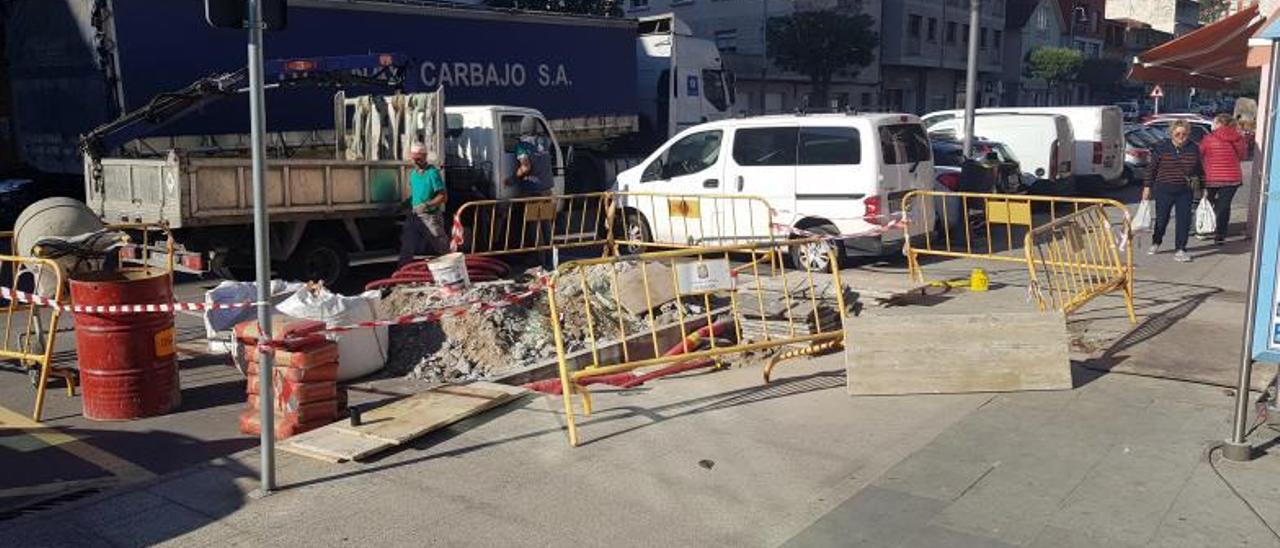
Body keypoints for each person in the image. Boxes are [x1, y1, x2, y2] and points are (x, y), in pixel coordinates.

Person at [1143, 120, 1202, 263]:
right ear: (1172, 134)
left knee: (1184, 220)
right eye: (1178, 134)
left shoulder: (1193, 148)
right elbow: (1151, 169)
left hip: (1185, 190)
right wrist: (1147, 187)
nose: (1181, 136)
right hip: (1164, 188)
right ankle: (1156, 242)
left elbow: (1200, 170)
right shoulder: (1162, 147)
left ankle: (1180, 249)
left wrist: (1203, 188)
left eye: (1185, 134)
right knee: (1162, 219)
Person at [1198, 113, 1247, 245]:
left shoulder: (1208, 138)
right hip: (1232, 179)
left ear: (1219, 124)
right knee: (1224, 206)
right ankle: (1220, 234)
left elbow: (1200, 155)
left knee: (1207, 204)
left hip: (1211, 178)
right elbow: (1242, 156)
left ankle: (1204, 229)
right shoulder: (1238, 138)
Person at [397, 143, 449, 266]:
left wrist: (426, 205)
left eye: (418, 159)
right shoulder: (414, 174)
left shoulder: (432, 173)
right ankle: (402, 273)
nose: (415, 162)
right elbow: (416, 196)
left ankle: (451, 268)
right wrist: (403, 205)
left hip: (430, 217)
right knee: (407, 245)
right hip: (414, 215)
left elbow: (442, 196)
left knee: (441, 245)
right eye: (413, 159)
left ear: (425, 157)